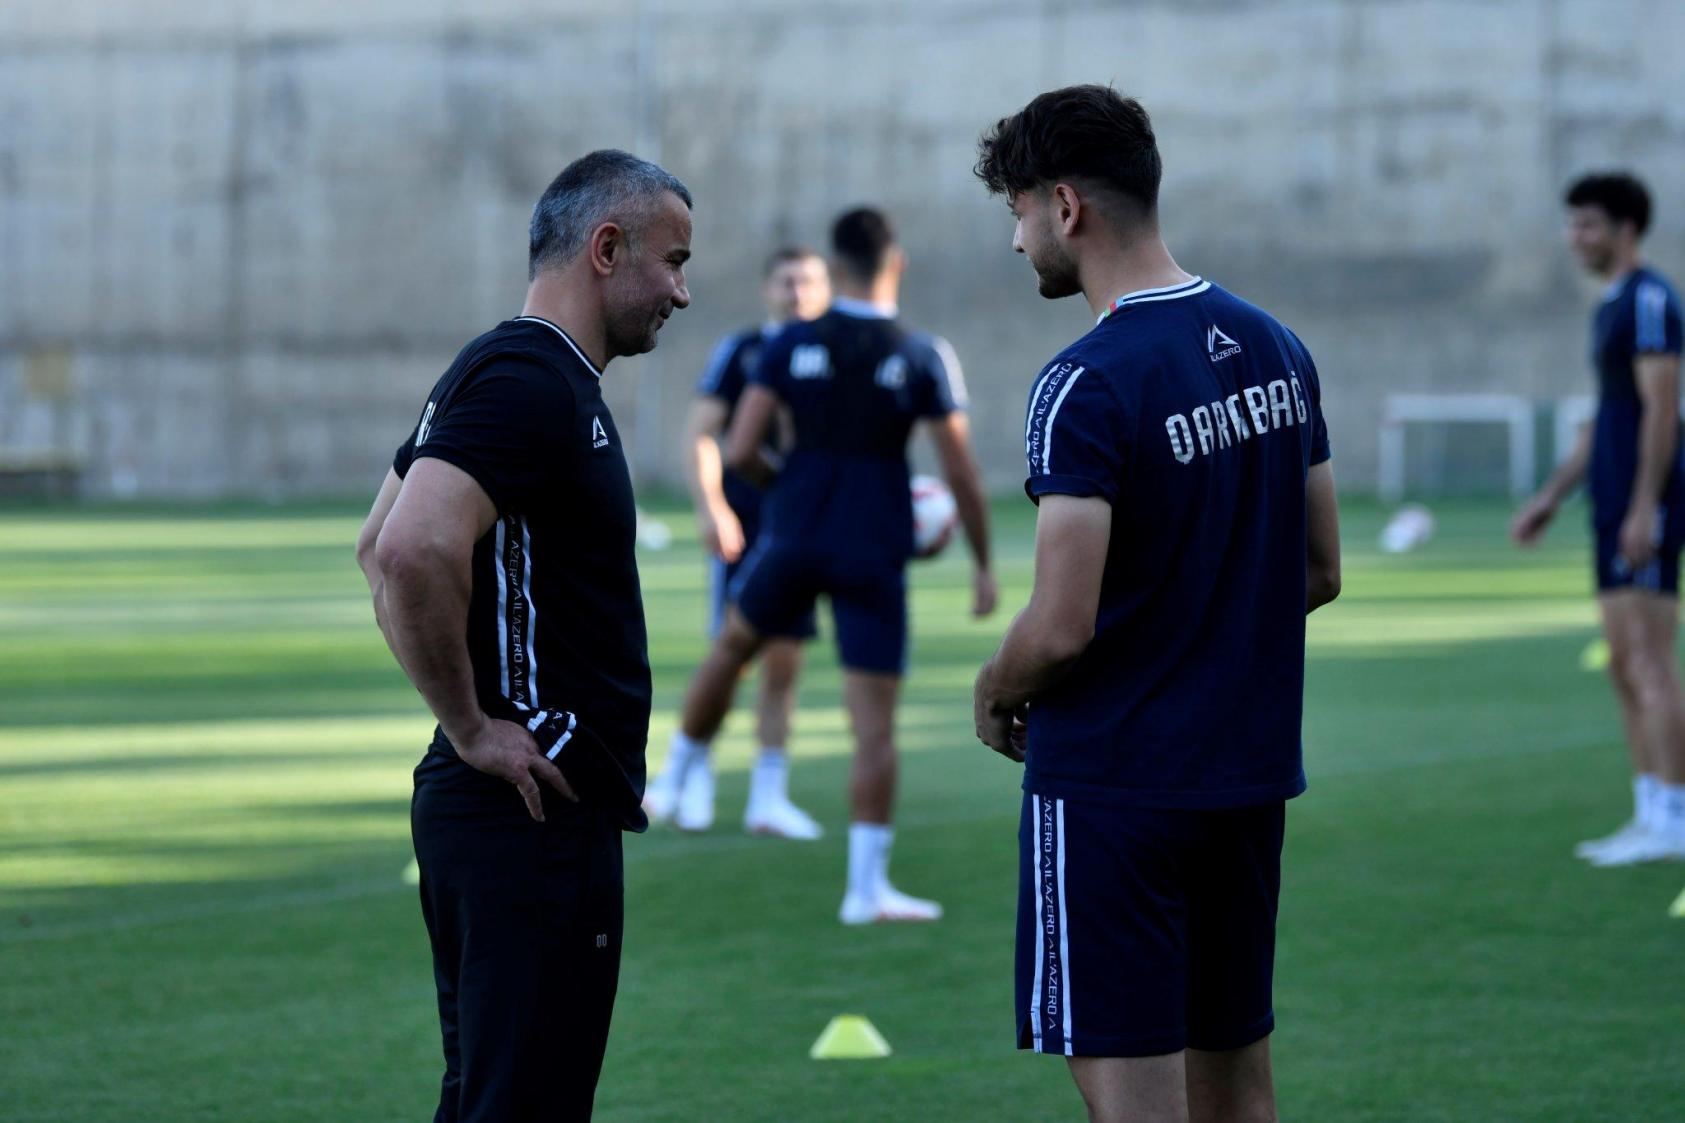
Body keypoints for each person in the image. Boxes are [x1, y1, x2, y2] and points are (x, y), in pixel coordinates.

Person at [970, 86, 1341, 1123]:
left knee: (1132, 1097)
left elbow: (1059, 625)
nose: (1016, 241)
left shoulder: (1084, 382)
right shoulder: (1276, 346)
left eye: (1016, 212)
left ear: (1064, 205)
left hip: (1113, 791)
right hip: (1243, 778)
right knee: (1237, 1087)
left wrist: (994, 687)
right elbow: (1319, 569)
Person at [353, 149, 691, 1122]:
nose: (680, 291)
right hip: (529, 813)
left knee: (492, 1099)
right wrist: (473, 726)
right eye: (672, 261)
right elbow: (407, 550)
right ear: (606, 248)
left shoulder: (510, 368)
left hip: (506, 811)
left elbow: (376, 543)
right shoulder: (527, 378)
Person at [671, 206, 996, 923]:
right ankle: (865, 888)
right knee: (873, 726)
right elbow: (961, 472)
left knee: (732, 647)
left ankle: (676, 773)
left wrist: (789, 491)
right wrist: (981, 565)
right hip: (874, 549)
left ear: (836, 267)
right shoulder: (922, 353)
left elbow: (739, 448)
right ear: (896, 264)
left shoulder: (789, 341)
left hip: (793, 537)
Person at [1512, 171, 1685, 866]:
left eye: (1587, 224)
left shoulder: (1649, 300)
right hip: (1610, 501)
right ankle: (1649, 812)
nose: (1574, 237)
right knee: (1621, 663)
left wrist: (1645, 504)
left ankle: (1675, 817)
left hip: (1643, 502)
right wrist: (1551, 496)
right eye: (1571, 223)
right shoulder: (1612, 305)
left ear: (1625, 229)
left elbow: (1661, 409)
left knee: (1650, 662)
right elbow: (1607, 417)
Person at [643, 247, 832, 837]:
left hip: (802, 529)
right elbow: (702, 433)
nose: (798, 292)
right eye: (786, 281)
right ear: (767, 289)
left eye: (809, 281)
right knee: (732, 655)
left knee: (785, 661)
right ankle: (691, 773)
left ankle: (768, 796)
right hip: (746, 526)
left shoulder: (835, 355)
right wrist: (713, 507)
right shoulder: (743, 351)